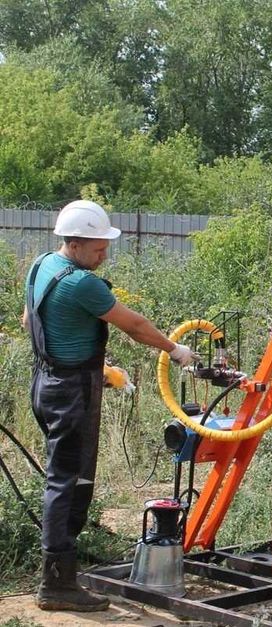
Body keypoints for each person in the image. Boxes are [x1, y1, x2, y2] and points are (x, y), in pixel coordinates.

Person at [21, 200, 197, 612]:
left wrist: (84, 358)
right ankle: (57, 584)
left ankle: (63, 566)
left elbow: (32, 322)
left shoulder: (42, 265)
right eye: (98, 249)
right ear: (77, 243)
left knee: (66, 478)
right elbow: (134, 326)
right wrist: (174, 349)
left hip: (46, 383)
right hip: (70, 394)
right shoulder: (82, 283)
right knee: (67, 481)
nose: (104, 255)